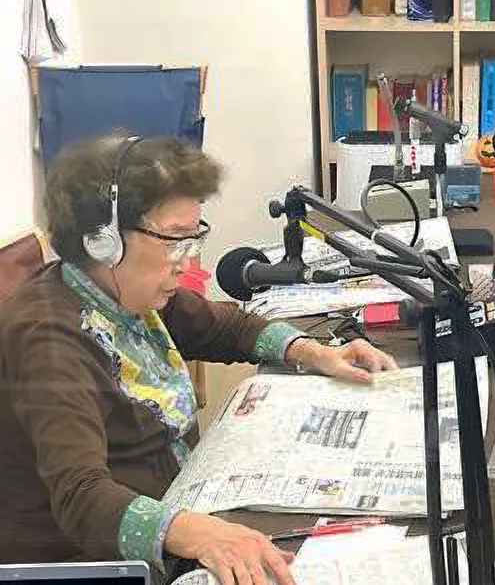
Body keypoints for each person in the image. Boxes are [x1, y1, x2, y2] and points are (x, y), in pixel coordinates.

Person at [0, 136, 398, 585]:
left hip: (180, 506)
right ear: (102, 242)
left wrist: (314, 351)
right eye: (174, 239)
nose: (186, 261)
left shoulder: (124, 290)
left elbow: (226, 327)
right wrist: (199, 534)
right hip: (96, 562)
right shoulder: (47, 339)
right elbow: (81, 495)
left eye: (193, 238)